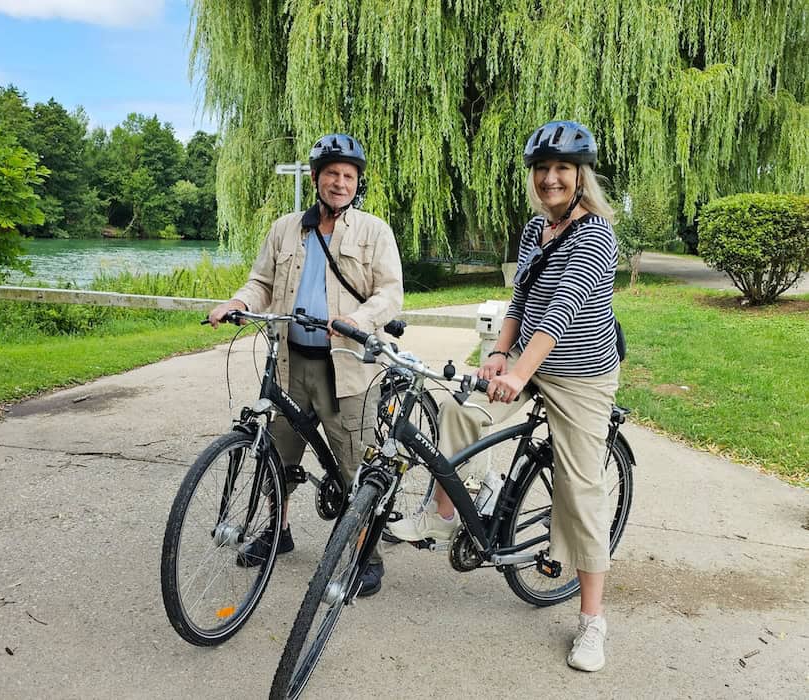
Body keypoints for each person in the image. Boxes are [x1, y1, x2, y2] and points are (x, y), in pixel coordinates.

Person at [389, 120, 621, 670]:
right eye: (542, 169)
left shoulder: (596, 236)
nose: (550, 178)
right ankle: (444, 511)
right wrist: (499, 354)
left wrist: (520, 374)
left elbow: (563, 309)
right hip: (525, 358)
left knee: (579, 490)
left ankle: (592, 623)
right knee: (460, 411)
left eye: (562, 168)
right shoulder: (533, 229)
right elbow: (522, 298)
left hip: (581, 374)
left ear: (581, 176)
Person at [208, 133, 403, 596]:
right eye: (332, 174)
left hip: (348, 367)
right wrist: (237, 301)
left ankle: (365, 555)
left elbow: (390, 293)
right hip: (290, 363)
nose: (340, 183)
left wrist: (357, 319)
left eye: (349, 176)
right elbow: (261, 280)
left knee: (355, 465)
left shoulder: (374, 231)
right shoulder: (286, 228)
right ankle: (279, 533)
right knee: (278, 456)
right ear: (316, 178)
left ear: (358, 184)